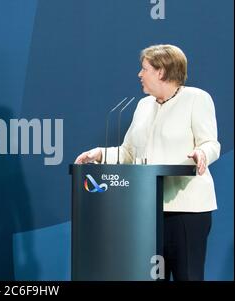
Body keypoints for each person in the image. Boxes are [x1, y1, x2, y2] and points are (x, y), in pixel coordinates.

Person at [74, 44, 220, 281]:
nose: (139, 75)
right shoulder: (143, 105)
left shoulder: (196, 99)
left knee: (189, 276)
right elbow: (129, 153)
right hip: (145, 211)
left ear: (161, 72)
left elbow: (211, 143)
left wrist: (202, 154)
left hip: (186, 212)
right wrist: (99, 154)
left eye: (144, 69)